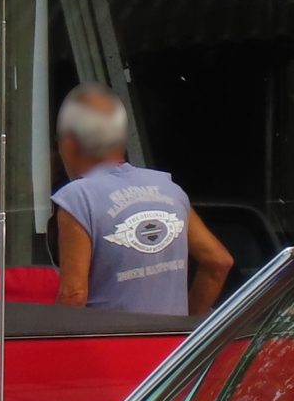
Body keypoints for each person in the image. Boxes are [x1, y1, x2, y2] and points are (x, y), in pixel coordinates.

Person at [50, 84, 231, 316]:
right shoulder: (169, 190)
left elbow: (74, 294)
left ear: (69, 144)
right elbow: (218, 262)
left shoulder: (78, 198)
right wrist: (186, 328)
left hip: (109, 348)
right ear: (121, 141)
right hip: (170, 350)